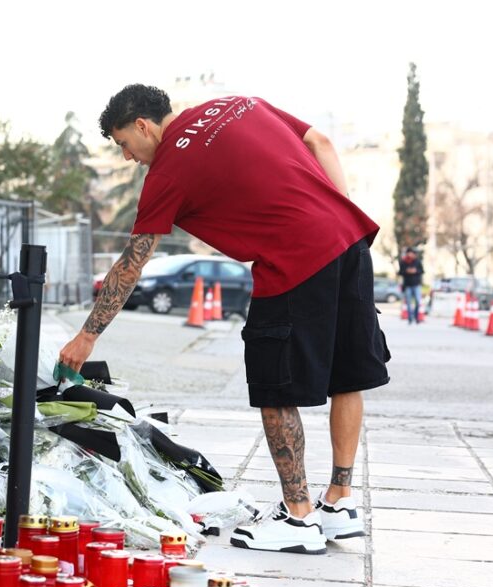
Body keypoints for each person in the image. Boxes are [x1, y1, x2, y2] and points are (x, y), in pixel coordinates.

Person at [58, 85, 390, 555]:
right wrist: (335, 217)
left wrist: (87, 336)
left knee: (274, 386)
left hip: (291, 258)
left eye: (124, 145)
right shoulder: (238, 103)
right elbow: (321, 143)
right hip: (347, 235)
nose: (130, 157)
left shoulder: (168, 170)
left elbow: (133, 262)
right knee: (347, 374)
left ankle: (299, 519)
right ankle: (339, 501)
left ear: (142, 126)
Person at [398, 247, 424, 323]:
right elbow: (400, 272)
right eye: (409, 253)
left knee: (418, 301)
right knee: (409, 302)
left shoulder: (417, 261)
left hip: (416, 284)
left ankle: (416, 317)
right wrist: (407, 271)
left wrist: (415, 271)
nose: (410, 254)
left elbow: (422, 271)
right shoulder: (403, 262)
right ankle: (410, 318)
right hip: (407, 285)